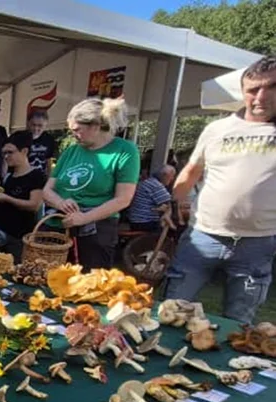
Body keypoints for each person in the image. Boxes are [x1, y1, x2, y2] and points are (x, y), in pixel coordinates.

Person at [165, 55, 276, 323]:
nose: (260, 96)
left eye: (272, 87)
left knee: (239, 323)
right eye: (253, 89)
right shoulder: (217, 129)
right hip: (202, 236)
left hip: (257, 243)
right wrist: (172, 204)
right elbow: (192, 170)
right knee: (170, 311)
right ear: (243, 92)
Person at [42, 97, 139, 269]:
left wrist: (84, 218)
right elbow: (47, 190)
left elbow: (123, 199)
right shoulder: (71, 151)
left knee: (90, 286)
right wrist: (61, 203)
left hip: (97, 232)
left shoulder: (125, 150)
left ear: (95, 126)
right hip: (58, 225)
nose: (73, 135)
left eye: (77, 130)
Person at [0, 131, 46, 260]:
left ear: (24, 151)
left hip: (20, 238)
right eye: (4, 153)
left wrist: (7, 198)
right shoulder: (9, 175)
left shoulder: (36, 176)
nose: (6, 156)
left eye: (10, 152)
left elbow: (34, 205)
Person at [127, 165, 175, 232]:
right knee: (176, 227)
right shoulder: (156, 185)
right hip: (145, 222)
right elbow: (172, 203)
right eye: (172, 175)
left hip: (135, 221)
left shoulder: (148, 182)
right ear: (165, 175)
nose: (172, 179)